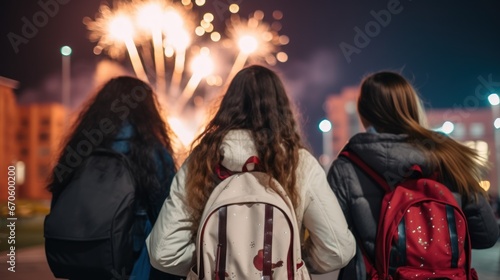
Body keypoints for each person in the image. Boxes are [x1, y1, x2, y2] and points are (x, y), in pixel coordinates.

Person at [146, 65, 356, 277]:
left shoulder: (202, 160)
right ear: (282, 108)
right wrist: (290, 259)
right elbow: (337, 249)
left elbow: (163, 252)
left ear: (228, 105)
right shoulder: (298, 163)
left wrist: (213, 260)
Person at [327, 71, 500, 279]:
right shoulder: (448, 156)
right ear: (412, 107)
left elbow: (334, 245)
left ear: (364, 113)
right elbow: (487, 235)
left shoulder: (347, 166)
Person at [46, 76, 180, 279]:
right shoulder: (152, 152)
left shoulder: (79, 150)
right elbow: (168, 214)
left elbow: (59, 201)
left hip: (84, 261)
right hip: (134, 265)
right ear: (148, 112)